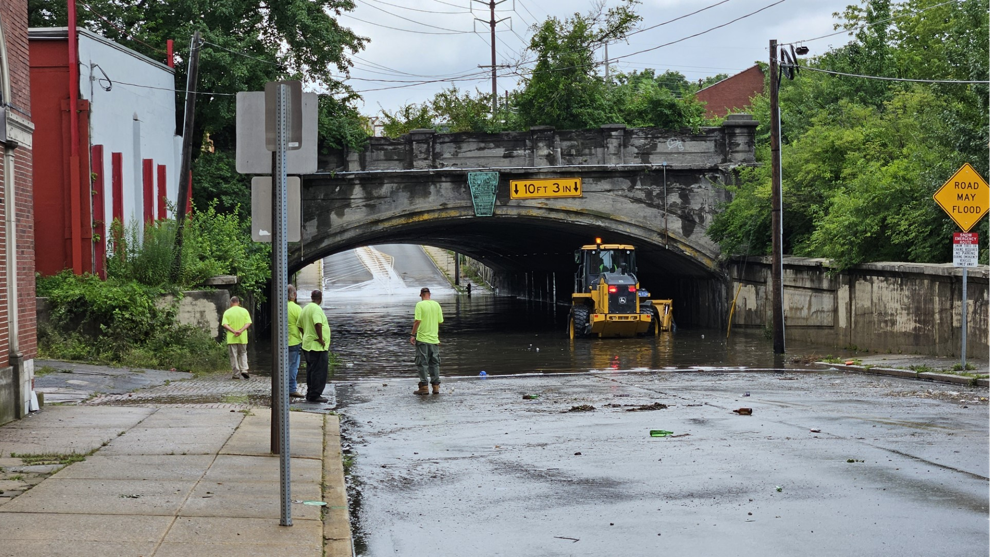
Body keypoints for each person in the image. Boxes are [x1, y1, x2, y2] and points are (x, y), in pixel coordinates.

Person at [410, 287, 444, 395]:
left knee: (422, 363)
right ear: (430, 294)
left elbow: (417, 321)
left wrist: (412, 335)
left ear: (421, 295)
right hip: (434, 339)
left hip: (422, 339)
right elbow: (440, 321)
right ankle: (436, 387)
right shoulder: (436, 305)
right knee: (435, 363)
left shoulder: (420, 305)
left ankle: (424, 387)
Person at [298, 290, 330, 403]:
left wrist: (306, 334)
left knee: (311, 370)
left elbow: (299, 325)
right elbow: (318, 324)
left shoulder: (305, 308)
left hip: (308, 344)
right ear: (320, 298)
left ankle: (310, 393)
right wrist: (320, 338)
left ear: (311, 297)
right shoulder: (316, 309)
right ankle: (315, 395)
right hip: (317, 346)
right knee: (319, 371)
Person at [221, 296, 252, 379]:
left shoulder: (227, 312)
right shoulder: (244, 311)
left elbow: (225, 324)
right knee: (243, 353)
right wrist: (240, 331)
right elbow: (248, 323)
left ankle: (236, 373)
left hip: (232, 338)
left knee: (233, 355)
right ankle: (244, 370)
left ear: (231, 303)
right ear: (238, 302)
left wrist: (234, 331)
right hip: (242, 337)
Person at [287, 284, 304, 399]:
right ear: (294, 295)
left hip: (281, 342)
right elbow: (302, 325)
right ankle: (291, 389)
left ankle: (281, 387)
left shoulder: (279, 306)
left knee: (283, 365)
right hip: (294, 341)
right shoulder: (297, 308)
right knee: (293, 366)